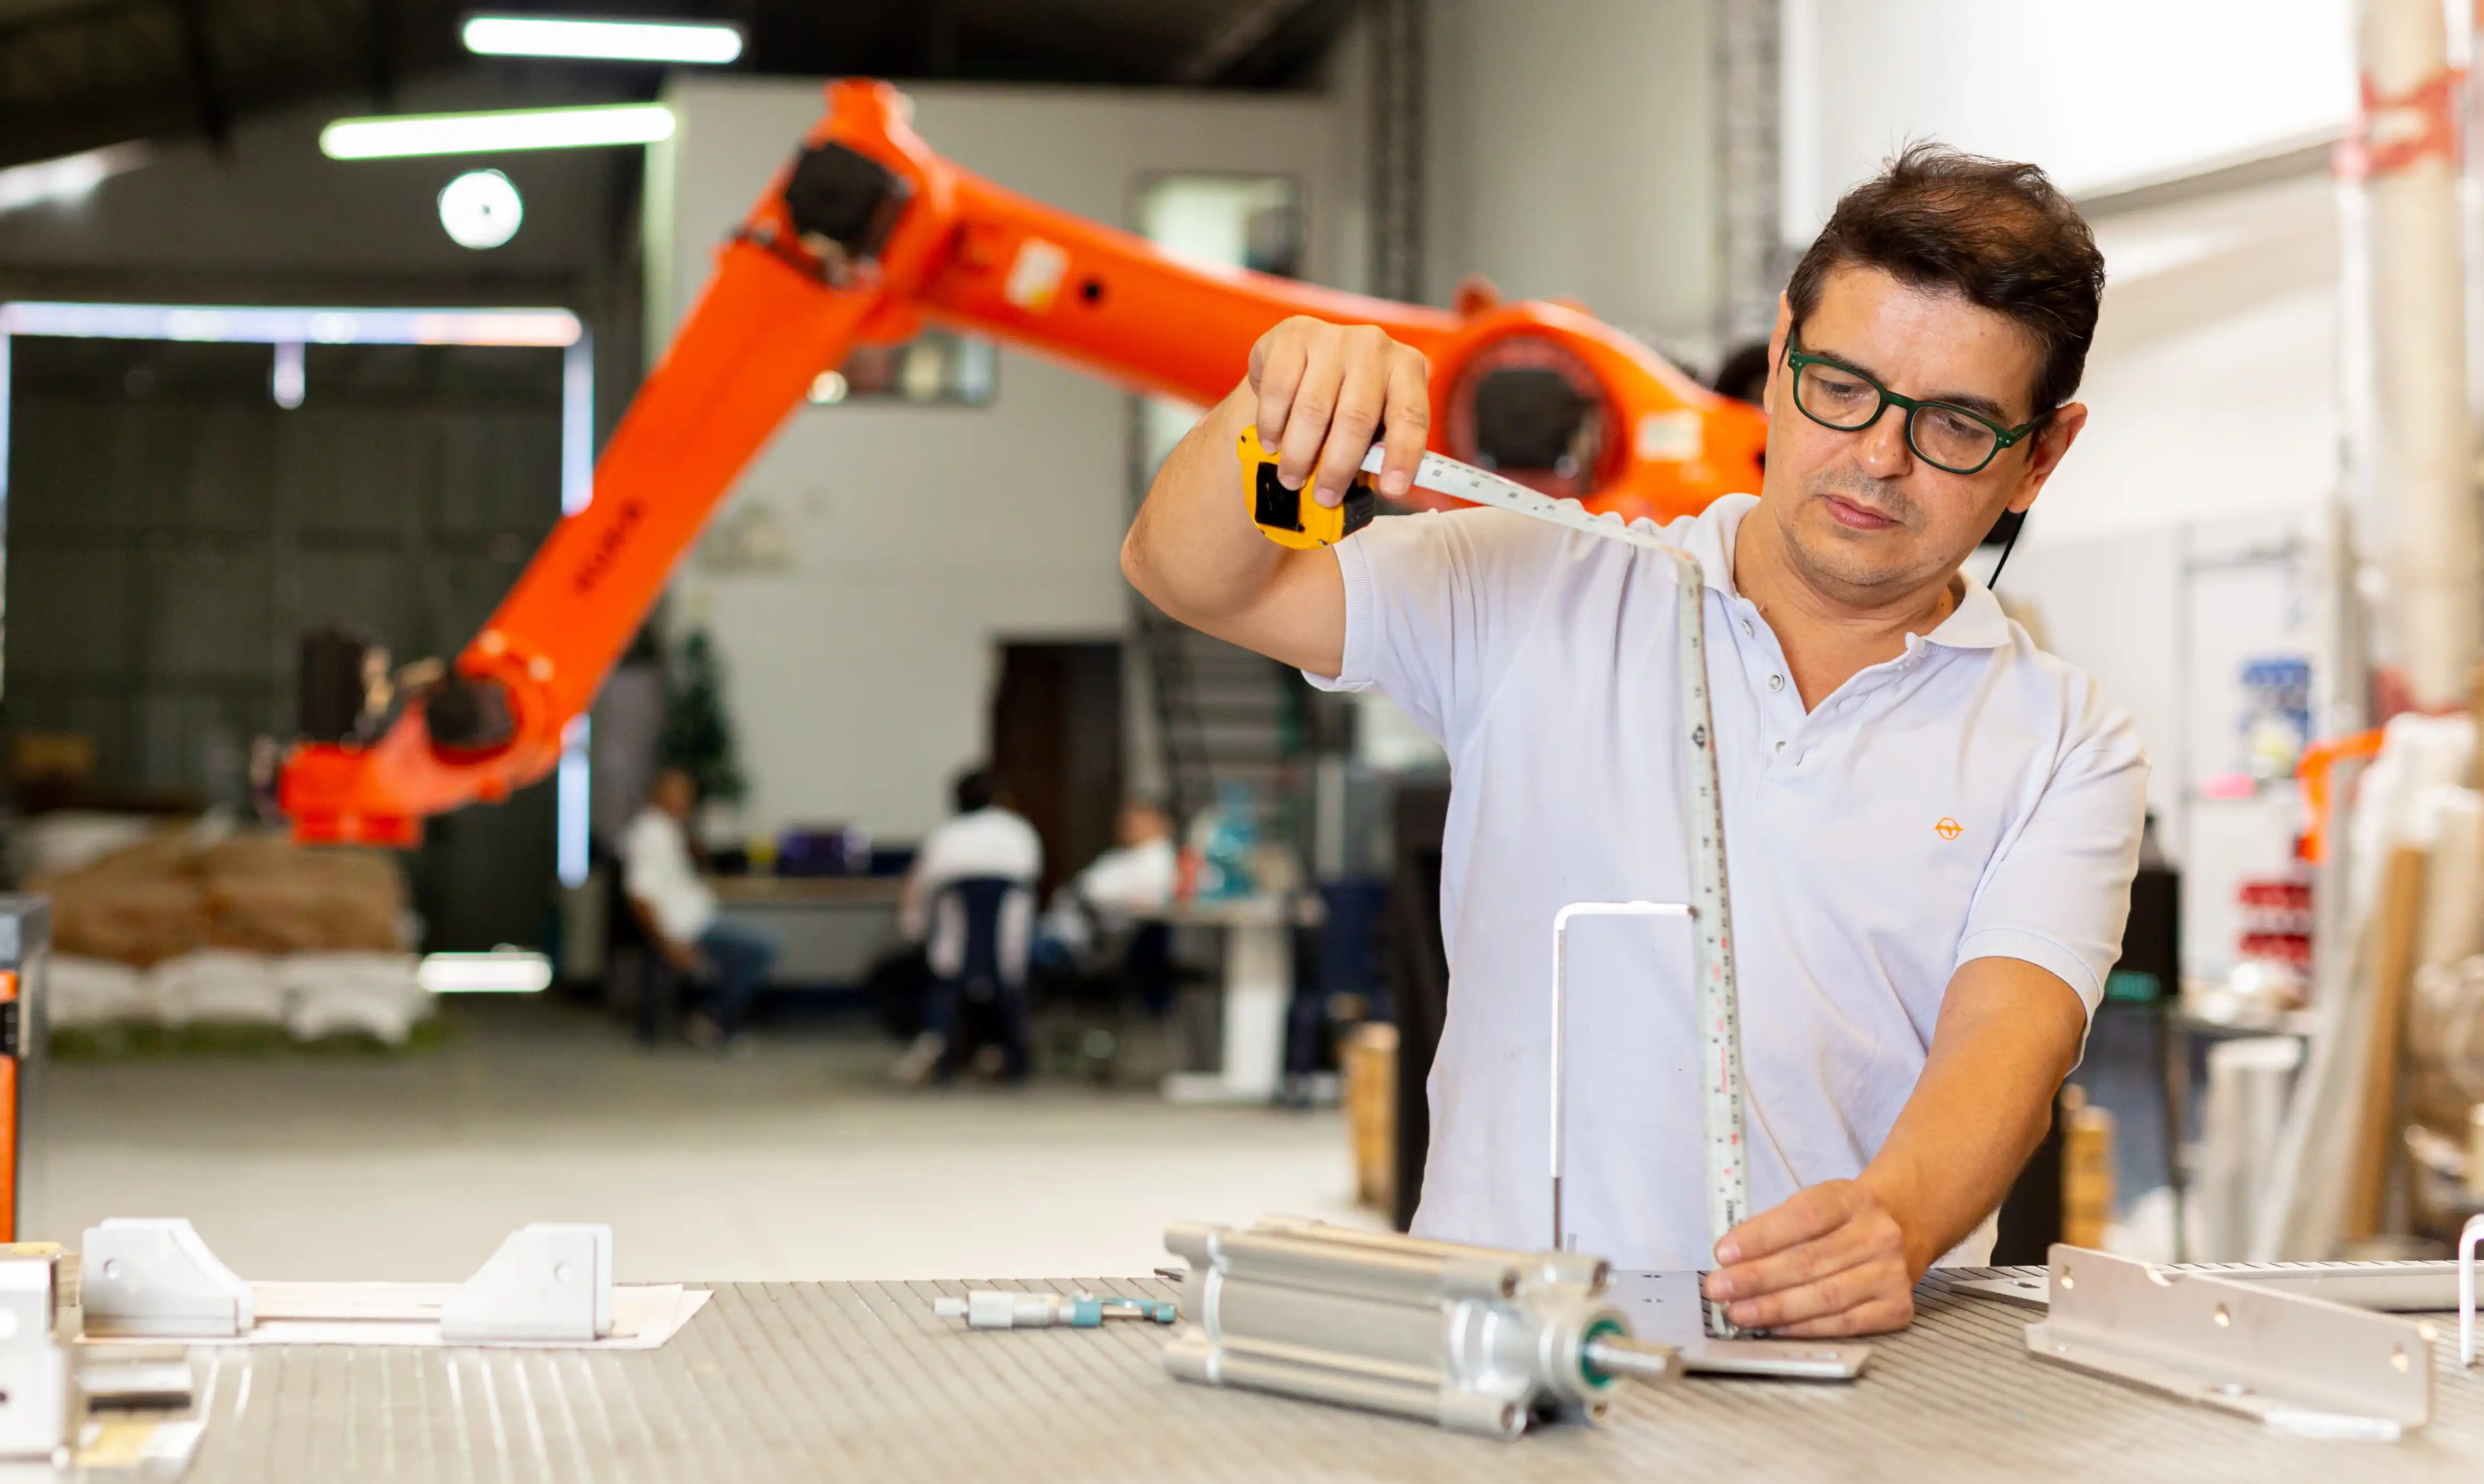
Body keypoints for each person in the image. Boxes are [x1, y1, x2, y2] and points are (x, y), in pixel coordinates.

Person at [1121, 144, 2145, 1338]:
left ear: (2041, 455)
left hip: (1831, 1360)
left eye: (1955, 426)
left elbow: (2007, 1037)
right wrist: (1276, 400)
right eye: (1841, 389)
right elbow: (1185, 572)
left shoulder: (2061, 737)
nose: (1876, 456)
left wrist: (1894, 1221)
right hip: (1503, 1346)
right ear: (1776, 358)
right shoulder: (1536, 585)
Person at [890, 768, 1043, 1085]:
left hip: (952, 954)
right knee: (1007, 987)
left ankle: (937, 1049)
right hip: (1010, 954)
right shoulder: (1021, 833)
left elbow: (917, 893)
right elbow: (1031, 882)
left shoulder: (946, 837)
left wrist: (913, 931)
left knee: (924, 977)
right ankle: (1008, 1057)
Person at [617, 767, 779, 1051]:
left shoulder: (668, 829)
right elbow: (639, 897)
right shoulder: (648, 835)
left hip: (699, 917)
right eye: (678, 794)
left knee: (752, 945)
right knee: (763, 949)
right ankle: (716, 1022)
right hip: (686, 928)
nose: (685, 801)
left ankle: (712, 1016)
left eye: (688, 795)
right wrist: (668, 945)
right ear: (658, 795)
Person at [1033, 798, 1179, 972]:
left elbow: (1140, 898)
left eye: (1135, 820)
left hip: (1090, 937)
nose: (1126, 826)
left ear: (1159, 824)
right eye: (1125, 821)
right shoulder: (1124, 855)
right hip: (1063, 923)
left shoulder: (1157, 858)